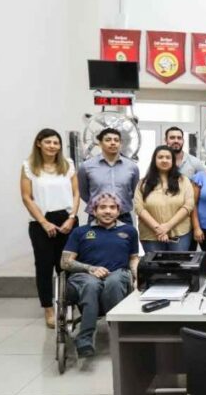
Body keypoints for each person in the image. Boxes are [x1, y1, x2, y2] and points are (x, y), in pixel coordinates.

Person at [61, 192, 139, 357]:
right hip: (85, 276)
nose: (108, 211)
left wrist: (138, 276)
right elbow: (65, 262)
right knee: (91, 284)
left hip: (118, 274)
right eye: (102, 207)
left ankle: (120, 337)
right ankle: (85, 340)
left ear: (119, 211)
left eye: (112, 207)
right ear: (94, 211)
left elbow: (133, 259)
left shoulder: (129, 231)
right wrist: (89, 269)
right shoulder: (80, 232)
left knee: (114, 281)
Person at [20, 128, 80, 328]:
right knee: (45, 267)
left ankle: (69, 306)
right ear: (39, 143)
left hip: (67, 219)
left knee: (67, 266)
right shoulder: (29, 166)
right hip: (41, 221)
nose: (53, 146)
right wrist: (44, 223)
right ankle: (49, 310)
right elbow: (26, 197)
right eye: (48, 142)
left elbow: (76, 193)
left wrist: (72, 217)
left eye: (56, 142)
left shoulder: (68, 165)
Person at [134, 145, 194, 252]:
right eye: (160, 157)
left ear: (173, 160)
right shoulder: (143, 183)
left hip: (179, 234)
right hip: (150, 235)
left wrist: (167, 226)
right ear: (154, 160)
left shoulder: (183, 180)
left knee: (177, 266)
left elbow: (189, 205)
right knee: (155, 268)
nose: (164, 160)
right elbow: (139, 208)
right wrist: (158, 228)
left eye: (168, 157)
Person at [77, 128, 140, 224]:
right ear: (100, 143)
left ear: (121, 144)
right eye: (108, 140)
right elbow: (83, 193)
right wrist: (100, 206)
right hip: (96, 217)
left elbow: (134, 192)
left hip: (123, 216)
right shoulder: (86, 166)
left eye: (116, 140)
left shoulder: (132, 167)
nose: (113, 143)